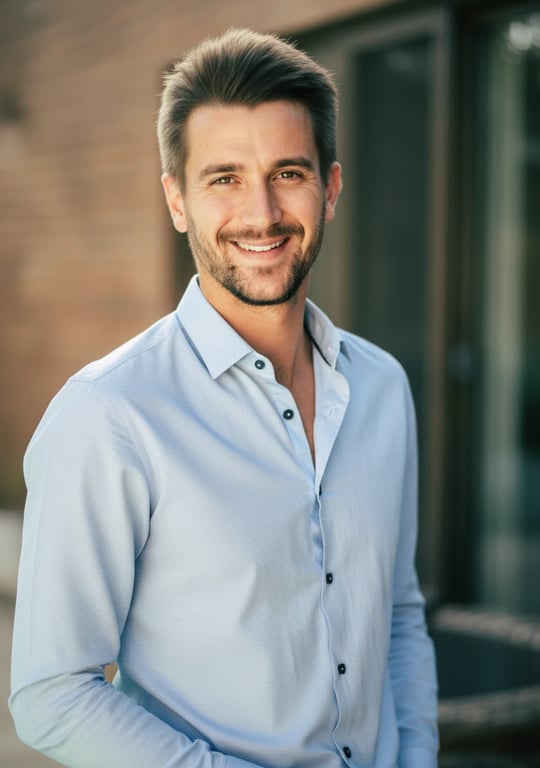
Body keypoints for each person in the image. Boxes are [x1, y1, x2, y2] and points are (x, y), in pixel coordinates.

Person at [10, 27, 438, 768]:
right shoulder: (110, 416)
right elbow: (52, 692)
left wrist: (418, 754)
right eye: (225, 178)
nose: (262, 212)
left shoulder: (383, 388)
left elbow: (396, 616)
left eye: (289, 173)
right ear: (177, 200)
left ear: (330, 188)